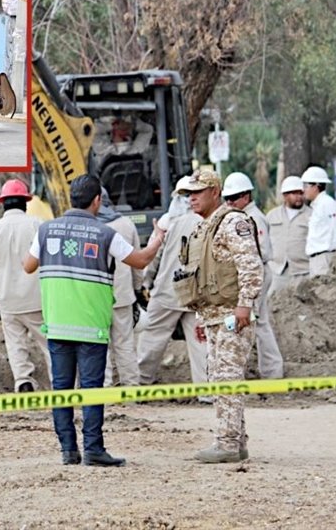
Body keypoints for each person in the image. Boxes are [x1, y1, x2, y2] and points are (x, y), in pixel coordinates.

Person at [23, 175, 165, 467]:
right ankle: (93, 449)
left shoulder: (46, 230)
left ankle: (67, 451)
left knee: (61, 388)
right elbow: (139, 261)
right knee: (91, 387)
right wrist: (157, 240)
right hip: (91, 325)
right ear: (97, 200)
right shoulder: (104, 233)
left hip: (58, 322)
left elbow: (28, 266)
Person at [175, 169, 263, 464]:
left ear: (215, 192)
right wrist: (202, 317)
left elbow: (250, 266)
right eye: (189, 194)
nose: (192, 198)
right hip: (214, 316)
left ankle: (227, 443)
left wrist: (245, 306)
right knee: (221, 377)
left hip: (232, 314)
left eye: (197, 192)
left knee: (227, 377)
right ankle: (236, 441)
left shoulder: (232, 221)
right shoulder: (205, 227)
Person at [0, 179, 50, 393]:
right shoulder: (38, 226)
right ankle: (60, 385)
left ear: (3, 204)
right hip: (37, 299)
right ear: (25, 203)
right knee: (48, 345)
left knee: (16, 345)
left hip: (8, 301)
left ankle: (24, 382)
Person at [136, 176, 207, 387]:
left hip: (167, 293)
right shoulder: (207, 221)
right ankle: (207, 390)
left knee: (152, 339)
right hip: (197, 294)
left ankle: (141, 382)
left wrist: (145, 283)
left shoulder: (167, 223)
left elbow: (152, 258)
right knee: (200, 341)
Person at [222, 172, 283, 380]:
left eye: (234, 198)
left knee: (253, 323)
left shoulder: (253, 218)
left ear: (246, 196)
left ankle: (269, 371)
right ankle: (270, 371)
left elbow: (262, 252)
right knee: (259, 323)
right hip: (254, 273)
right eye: (227, 199)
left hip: (256, 273)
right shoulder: (243, 217)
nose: (230, 202)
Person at [97, 187, 142, 387]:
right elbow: (137, 263)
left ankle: (104, 388)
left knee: (100, 346)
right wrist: (137, 289)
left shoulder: (88, 226)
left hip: (95, 298)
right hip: (123, 296)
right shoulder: (126, 224)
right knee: (125, 345)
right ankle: (131, 387)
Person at [264, 176, 312, 295]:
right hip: (277, 272)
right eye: (294, 193)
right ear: (285, 195)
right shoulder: (272, 216)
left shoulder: (311, 215)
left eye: (300, 193)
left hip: (303, 271)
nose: (298, 197)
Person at [302, 166, 336, 277]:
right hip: (317, 259)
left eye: (306, 186)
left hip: (325, 258)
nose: (304, 190)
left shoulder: (327, 204)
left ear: (316, 186)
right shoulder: (317, 206)